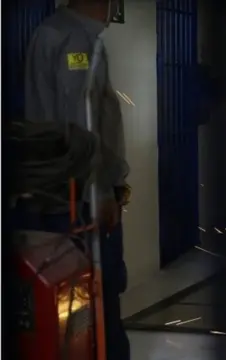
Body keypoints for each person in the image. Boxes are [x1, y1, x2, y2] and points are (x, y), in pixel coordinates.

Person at [21, 0, 131, 358]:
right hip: (79, 201)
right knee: (97, 299)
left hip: (69, 194)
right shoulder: (72, 40)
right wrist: (100, 190)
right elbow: (80, 121)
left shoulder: (69, 34)